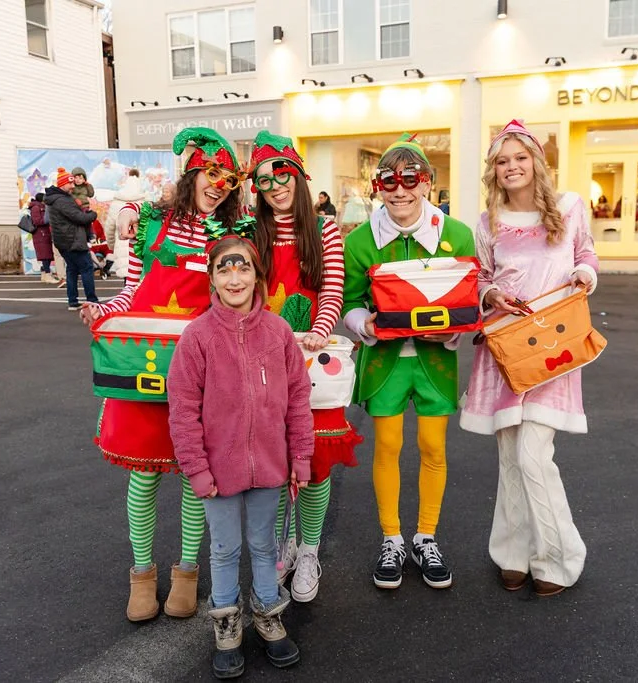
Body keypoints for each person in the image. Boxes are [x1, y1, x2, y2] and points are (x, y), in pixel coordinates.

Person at [79, 128, 246, 623]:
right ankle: (142, 575)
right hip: (144, 365)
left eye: (230, 179)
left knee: (195, 478)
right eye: (212, 174)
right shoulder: (152, 221)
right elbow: (132, 291)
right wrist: (103, 310)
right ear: (192, 172)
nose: (220, 186)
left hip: (201, 370)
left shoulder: (231, 236)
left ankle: (187, 573)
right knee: (144, 474)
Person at [459, 120, 598, 598]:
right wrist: (490, 294)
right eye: (502, 161)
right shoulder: (487, 222)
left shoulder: (570, 207)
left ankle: (557, 559)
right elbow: (480, 277)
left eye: (520, 157)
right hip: (507, 349)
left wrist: (583, 276)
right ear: (493, 170)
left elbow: (587, 255)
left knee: (533, 456)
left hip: (553, 346)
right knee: (510, 458)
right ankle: (513, 555)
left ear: (536, 162)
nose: (511, 167)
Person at [168, 235, 312, 679]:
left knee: (264, 545)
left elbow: (298, 399)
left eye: (243, 268)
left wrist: (300, 456)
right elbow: (182, 409)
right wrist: (196, 469)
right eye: (224, 269)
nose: (235, 278)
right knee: (225, 548)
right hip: (218, 472)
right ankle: (227, 623)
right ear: (211, 278)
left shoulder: (279, 332)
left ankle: (268, 612)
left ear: (257, 275)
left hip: (270, 467)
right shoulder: (197, 337)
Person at [342, 133, 476, 590]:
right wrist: (363, 324)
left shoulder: (456, 234)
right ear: (377, 186)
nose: (400, 190)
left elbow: (468, 298)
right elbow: (350, 300)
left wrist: (454, 330)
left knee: (434, 447)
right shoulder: (361, 241)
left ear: (427, 182)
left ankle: (426, 536)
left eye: (410, 179)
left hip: (435, 361)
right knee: (388, 446)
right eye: (389, 181)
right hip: (385, 363)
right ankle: (392, 538)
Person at [247, 131, 361, 603]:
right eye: (264, 180)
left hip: (312, 357)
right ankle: (283, 544)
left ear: (298, 175)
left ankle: (309, 549)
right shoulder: (251, 230)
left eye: (282, 175)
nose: (275, 187)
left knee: (315, 461)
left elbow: (332, 288)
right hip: (262, 357)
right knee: (273, 460)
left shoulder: (324, 229)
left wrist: (320, 328)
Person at [45, 168, 99, 311]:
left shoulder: (57, 199)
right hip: (72, 240)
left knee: (72, 270)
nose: (73, 186)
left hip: (64, 241)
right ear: (63, 184)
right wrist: (93, 214)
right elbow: (79, 218)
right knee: (87, 268)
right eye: (70, 183)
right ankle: (92, 300)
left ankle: (73, 301)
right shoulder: (62, 201)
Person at [29, 192, 57, 283]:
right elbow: (37, 221)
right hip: (40, 234)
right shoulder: (36, 208)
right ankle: (47, 274)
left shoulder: (42, 207)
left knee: (48, 255)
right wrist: (46, 220)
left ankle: (45, 274)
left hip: (45, 233)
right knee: (45, 255)